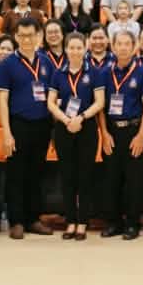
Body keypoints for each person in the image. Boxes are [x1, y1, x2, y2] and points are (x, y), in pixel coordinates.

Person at [0, 16, 57, 239]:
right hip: (18, 124)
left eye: (31, 35)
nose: (27, 40)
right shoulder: (8, 64)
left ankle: (33, 219)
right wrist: (7, 132)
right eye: (22, 36)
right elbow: (2, 100)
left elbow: (52, 95)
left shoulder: (46, 62)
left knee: (36, 173)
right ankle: (17, 221)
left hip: (42, 124)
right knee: (16, 174)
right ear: (16, 36)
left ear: (39, 36)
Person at [98, 29, 143, 240]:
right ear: (113, 47)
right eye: (119, 44)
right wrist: (105, 133)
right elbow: (101, 107)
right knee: (111, 178)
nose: (123, 48)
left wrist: (141, 135)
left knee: (134, 180)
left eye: (127, 44)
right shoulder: (104, 73)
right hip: (112, 131)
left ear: (134, 47)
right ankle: (114, 222)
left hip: (133, 130)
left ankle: (132, 223)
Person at [49, 32, 98, 240]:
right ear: (66, 49)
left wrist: (81, 118)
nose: (75, 51)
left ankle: (83, 222)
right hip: (64, 128)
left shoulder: (94, 72)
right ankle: (70, 221)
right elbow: (51, 102)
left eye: (79, 47)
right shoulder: (58, 73)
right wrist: (66, 120)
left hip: (87, 126)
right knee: (67, 176)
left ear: (85, 49)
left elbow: (100, 102)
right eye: (72, 48)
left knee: (85, 176)